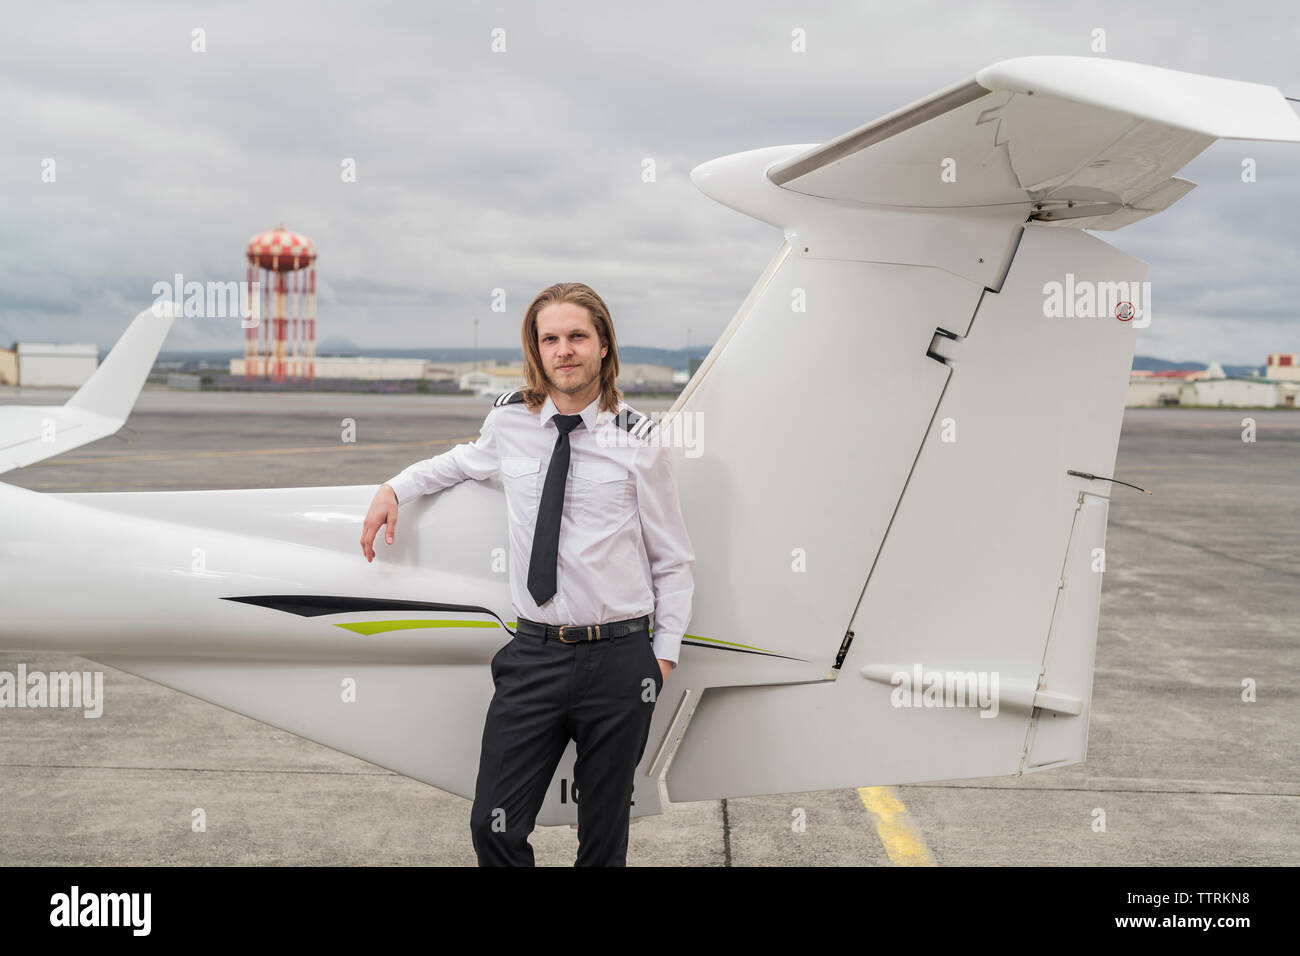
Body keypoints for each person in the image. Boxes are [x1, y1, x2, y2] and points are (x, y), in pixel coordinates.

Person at [359, 281, 695, 866]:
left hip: (619, 661)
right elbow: (458, 463)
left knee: (603, 841)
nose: (564, 350)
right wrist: (393, 488)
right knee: (495, 825)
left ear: (604, 346)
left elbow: (672, 559)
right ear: (536, 351)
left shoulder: (642, 441)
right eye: (550, 339)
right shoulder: (510, 423)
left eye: (577, 337)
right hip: (534, 656)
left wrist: (660, 657)